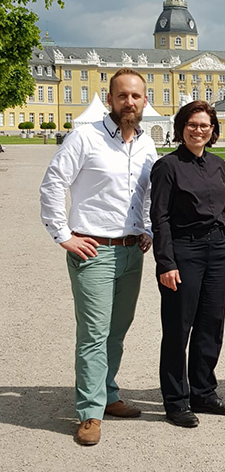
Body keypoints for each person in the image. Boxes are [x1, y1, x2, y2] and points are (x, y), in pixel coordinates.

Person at [40, 68, 157, 446]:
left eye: (136, 96)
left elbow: (148, 194)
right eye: (122, 96)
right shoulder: (86, 137)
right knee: (93, 334)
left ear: (144, 100)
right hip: (93, 250)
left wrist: (149, 228)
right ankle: (89, 412)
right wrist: (63, 234)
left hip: (131, 252)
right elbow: (54, 182)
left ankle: (106, 394)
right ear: (110, 99)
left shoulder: (146, 144)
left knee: (117, 331)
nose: (130, 102)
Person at [150, 100, 225, 429]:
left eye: (204, 125)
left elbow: (224, 211)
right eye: (192, 124)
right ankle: (175, 401)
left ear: (213, 130)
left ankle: (203, 391)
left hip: (216, 249)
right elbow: (159, 217)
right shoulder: (167, 166)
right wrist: (165, 262)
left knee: (210, 325)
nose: (198, 130)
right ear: (181, 128)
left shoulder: (217, 164)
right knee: (178, 327)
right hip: (184, 251)